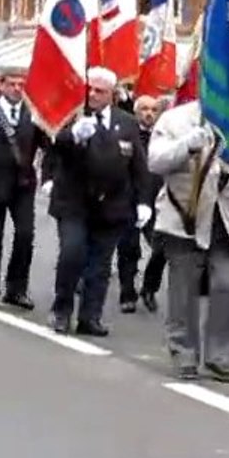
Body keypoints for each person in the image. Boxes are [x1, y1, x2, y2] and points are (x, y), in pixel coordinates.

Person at [148, 100, 229, 382]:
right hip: (186, 219)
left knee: (225, 287)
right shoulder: (175, 119)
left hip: (226, 220)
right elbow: (155, 161)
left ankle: (219, 356)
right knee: (184, 289)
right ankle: (184, 351)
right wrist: (186, 145)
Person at [47, 67, 150, 336]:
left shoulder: (126, 122)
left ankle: (90, 317)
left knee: (100, 266)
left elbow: (138, 164)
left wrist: (144, 201)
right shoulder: (73, 114)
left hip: (112, 205)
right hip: (74, 202)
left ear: (112, 95)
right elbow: (53, 142)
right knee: (73, 253)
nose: (92, 94)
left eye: (99, 91)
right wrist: (73, 136)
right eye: (90, 88)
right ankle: (61, 311)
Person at [0, 67, 48, 310]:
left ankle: (16, 288)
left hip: (23, 185)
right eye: (12, 84)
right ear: (2, 85)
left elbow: (47, 144)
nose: (17, 88)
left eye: (21, 85)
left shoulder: (33, 114)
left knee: (26, 235)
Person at [117, 94, 165, 313]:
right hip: (129, 200)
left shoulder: (164, 136)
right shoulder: (126, 133)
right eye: (144, 109)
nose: (149, 114)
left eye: (154, 110)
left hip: (157, 201)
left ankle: (149, 287)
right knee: (129, 248)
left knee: (161, 248)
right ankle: (127, 293)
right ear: (136, 112)